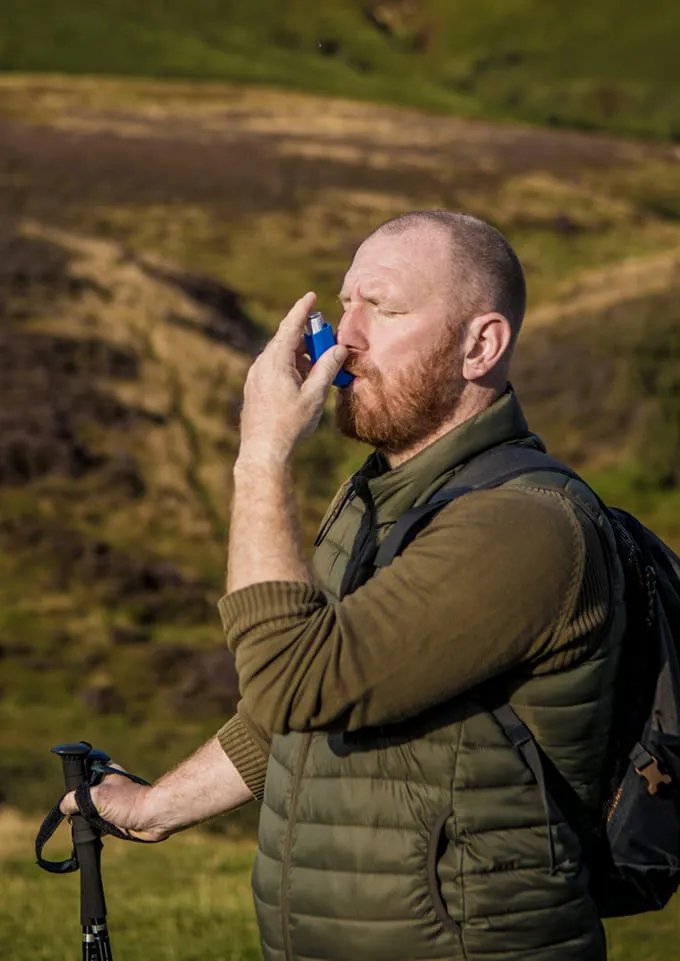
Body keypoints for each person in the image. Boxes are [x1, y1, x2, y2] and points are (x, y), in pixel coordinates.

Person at [61, 211, 624, 961]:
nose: (344, 338)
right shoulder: (374, 500)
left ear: (481, 344)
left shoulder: (525, 526)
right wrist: (157, 805)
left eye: (384, 310)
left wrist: (260, 456)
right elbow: (290, 716)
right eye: (344, 303)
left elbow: (297, 683)